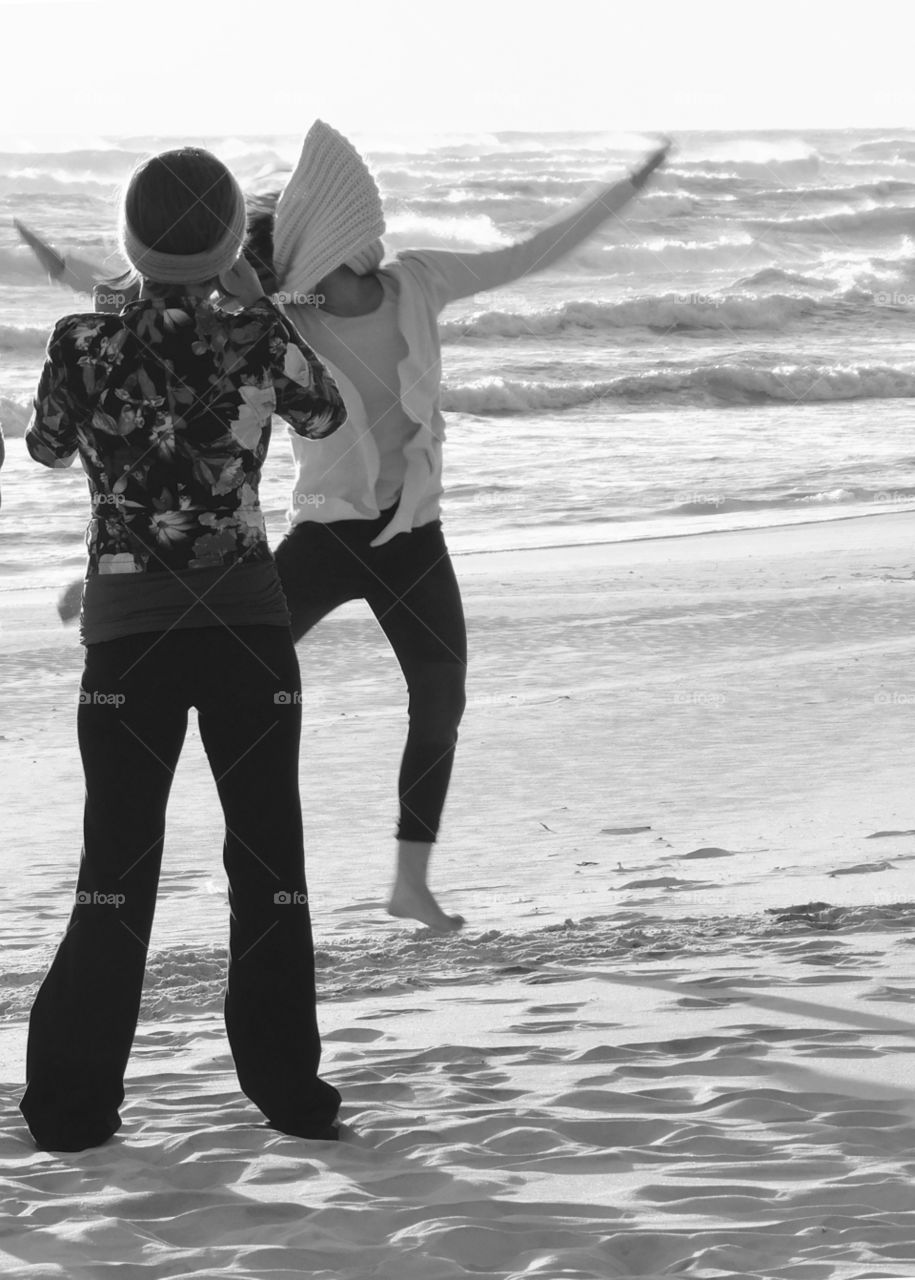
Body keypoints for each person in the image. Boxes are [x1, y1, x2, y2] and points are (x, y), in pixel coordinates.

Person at [21, 126, 669, 936]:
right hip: (323, 537)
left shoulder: (421, 283)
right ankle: (112, 590)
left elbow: (530, 253)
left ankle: (409, 881)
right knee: (215, 662)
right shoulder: (278, 312)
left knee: (439, 700)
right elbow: (158, 295)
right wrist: (62, 266)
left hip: (411, 536)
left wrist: (625, 191)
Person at [19, 146, 348, 1151]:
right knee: (268, 862)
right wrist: (255, 302)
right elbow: (327, 411)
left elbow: (43, 446)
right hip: (248, 628)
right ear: (227, 247)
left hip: (129, 637)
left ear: (129, 240)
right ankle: (292, 1095)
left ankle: (74, 1109)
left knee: (115, 869)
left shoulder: (81, 340)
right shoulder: (256, 335)